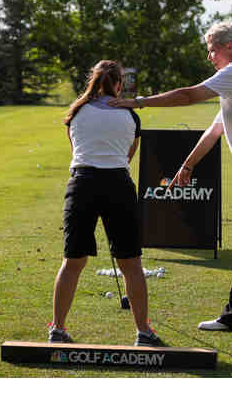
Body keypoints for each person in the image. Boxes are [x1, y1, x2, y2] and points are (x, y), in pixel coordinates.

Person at [109, 21, 232, 345]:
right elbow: (214, 132)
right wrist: (187, 166)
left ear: (229, 46)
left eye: (212, 49)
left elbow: (187, 95)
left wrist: (137, 102)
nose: (209, 56)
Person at [48, 59, 163, 347]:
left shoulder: (76, 111)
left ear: (93, 81)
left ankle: (57, 330)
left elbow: (76, 150)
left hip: (82, 183)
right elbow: (127, 156)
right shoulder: (130, 114)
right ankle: (144, 333)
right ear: (119, 84)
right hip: (117, 185)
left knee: (72, 261)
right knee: (131, 263)